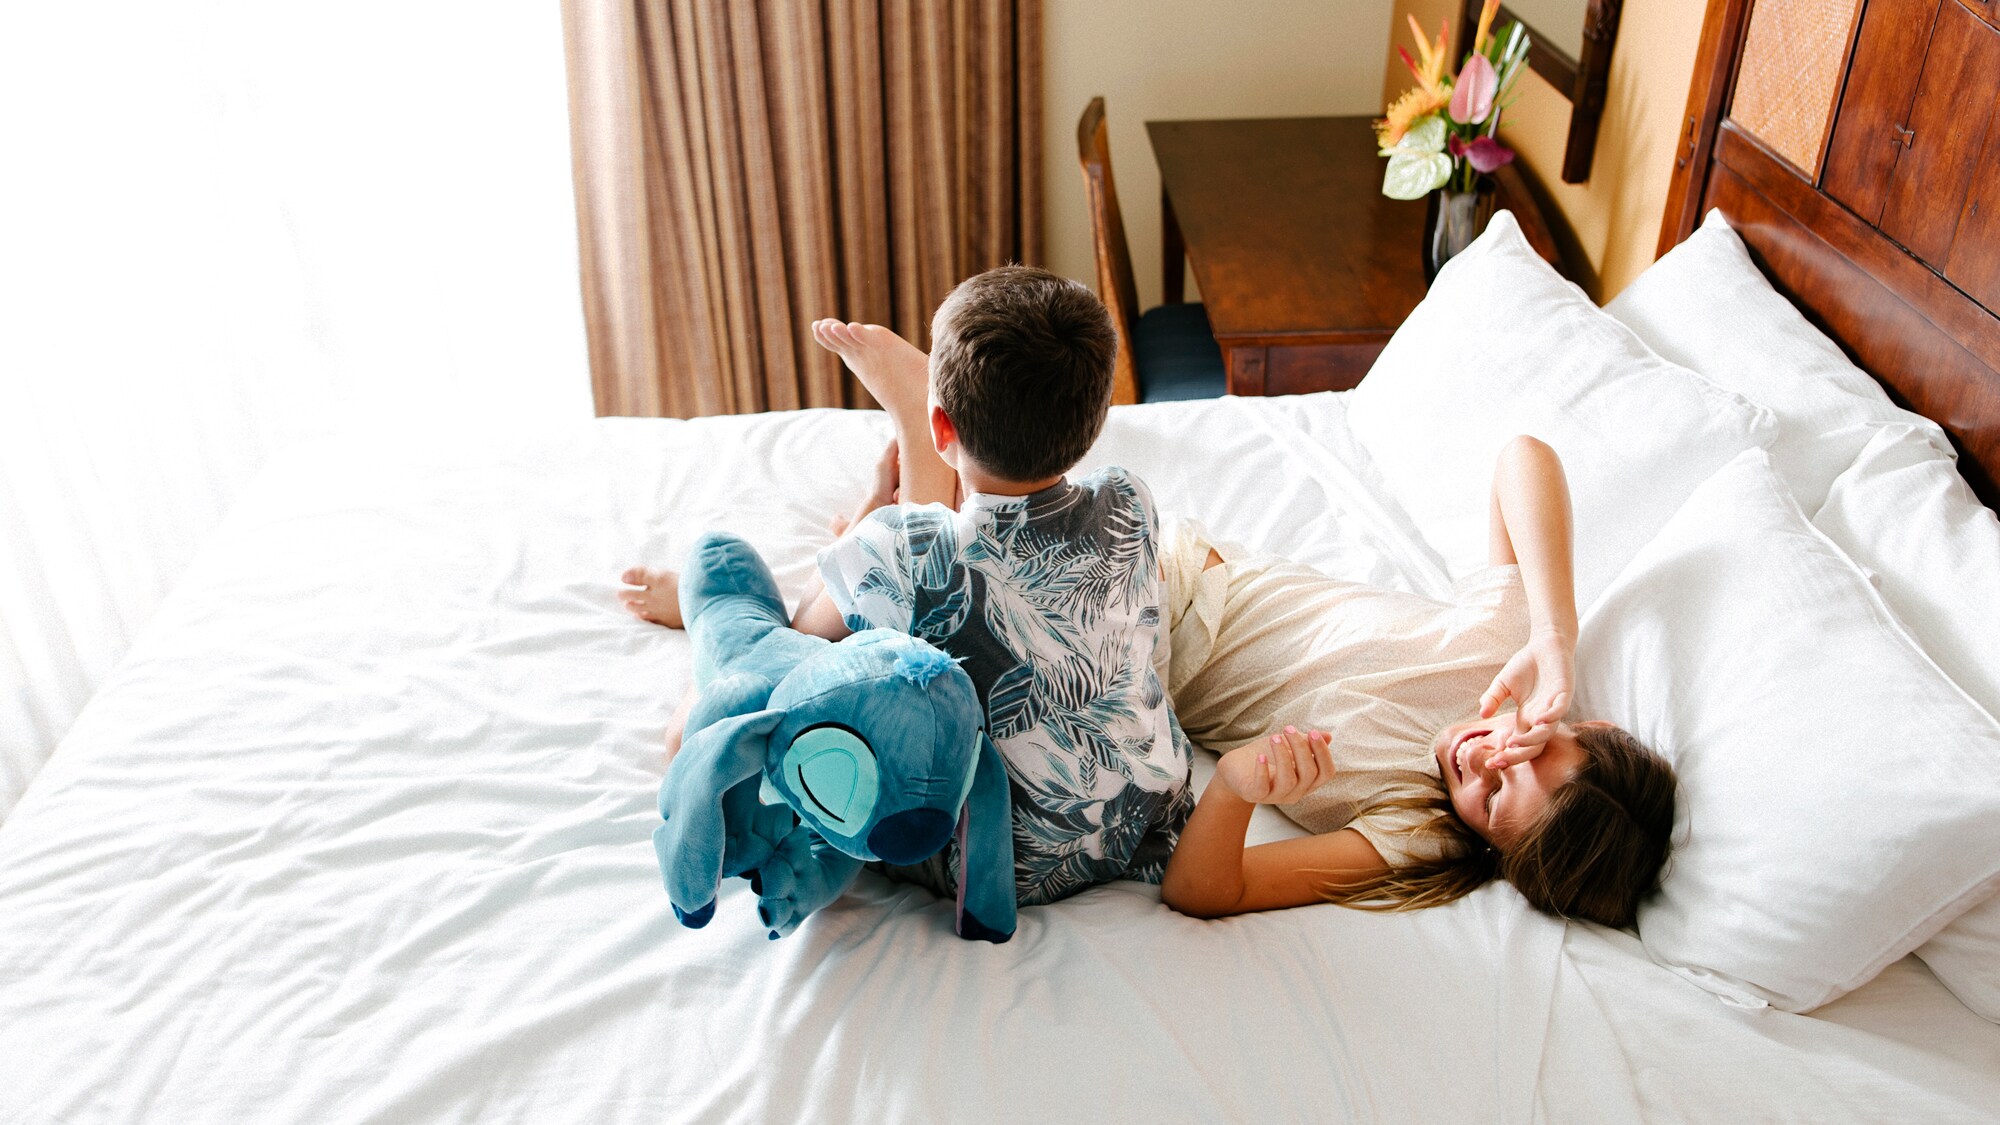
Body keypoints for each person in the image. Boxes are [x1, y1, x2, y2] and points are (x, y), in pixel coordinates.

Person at [621, 265, 1192, 909]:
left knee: (704, 718)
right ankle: (890, 499)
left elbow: (797, 650)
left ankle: (709, 605)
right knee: (927, 566)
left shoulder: (902, 550)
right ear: (1095, 419)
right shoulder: (1130, 498)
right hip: (1150, 820)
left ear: (944, 425)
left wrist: (873, 525)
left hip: (998, 861)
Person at [1156, 435, 1676, 928]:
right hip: (1177, 569)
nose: (1478, 760)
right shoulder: (1509, 653)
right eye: (1523, 754)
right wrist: (1555, 632)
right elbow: (1523, 456)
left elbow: (1201, 892)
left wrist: (1231, 789)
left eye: (1492, 800)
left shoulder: (1418, 832)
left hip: (1140, 668)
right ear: (1586, 727)